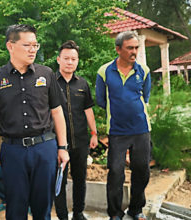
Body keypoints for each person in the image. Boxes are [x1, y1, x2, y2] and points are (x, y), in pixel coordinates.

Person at [0, 24, 70, 220]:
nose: (32, 50)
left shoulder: (46, 74)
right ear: (10, 46)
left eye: (35, 45)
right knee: (15, 208)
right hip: (13, 152)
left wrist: (62, 147)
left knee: (43, 207)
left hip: (44, 148)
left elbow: (57, 112)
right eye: (27, 45)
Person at [95, 31, 151, 220]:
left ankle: (136, 209)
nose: (134, 51)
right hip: (117, 131)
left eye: (136, 47)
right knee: (116, 172)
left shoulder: (144, 70)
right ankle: (115, 213)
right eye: (130, 48)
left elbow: (146, 97)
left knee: (142, 170)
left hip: (141, 129)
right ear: (118, 49)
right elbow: (101, 100)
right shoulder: (104, 71)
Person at [54, 40, 98, 220]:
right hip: (58, 144)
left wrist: (94, 133)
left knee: (80, 179)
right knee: (59, 182)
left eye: (73, 59)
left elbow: (88, 110)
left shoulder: (82, 84)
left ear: (77, 61)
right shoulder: (50, 83)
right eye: (66, 58)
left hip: (80, 140)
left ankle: (78, 213)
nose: (70, 62)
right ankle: (62, 215)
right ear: (58, 59)